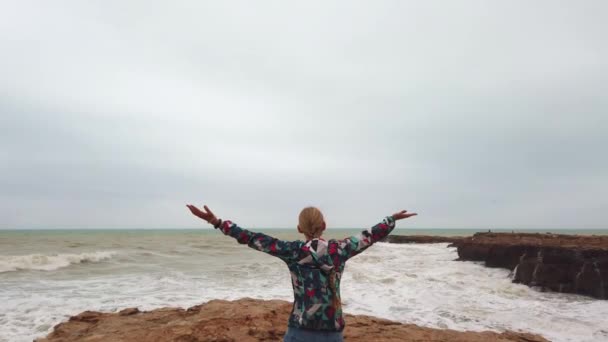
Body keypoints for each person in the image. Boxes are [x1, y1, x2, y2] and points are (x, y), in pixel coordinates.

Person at [186, 204, 417, 342]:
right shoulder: (340, 250)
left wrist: (217, 222)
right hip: (332, 332)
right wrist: (391, 220)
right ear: (324, 225)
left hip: (300, 329)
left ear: (299, 229)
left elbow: (253, 238)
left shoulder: (293, 251)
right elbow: (370, 235)